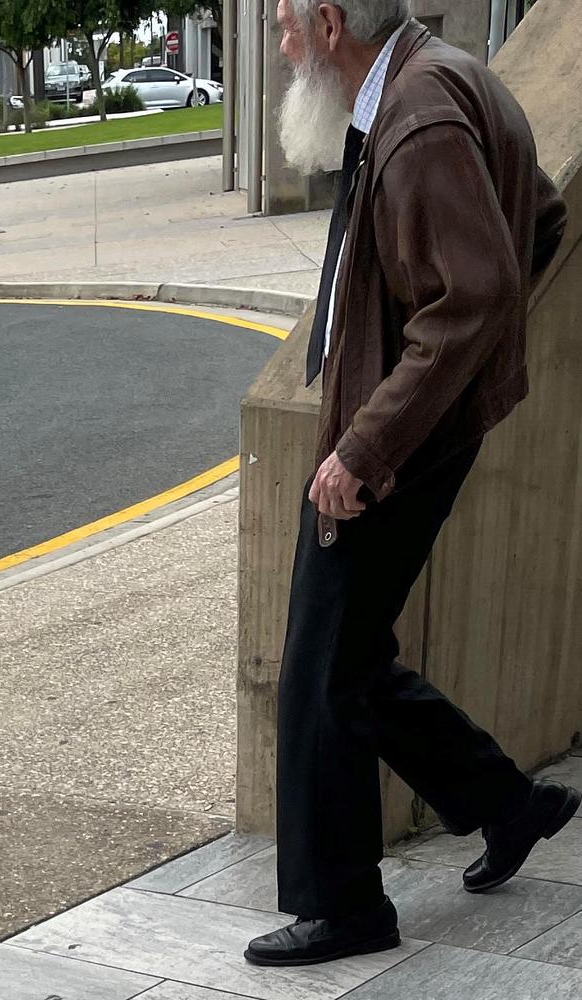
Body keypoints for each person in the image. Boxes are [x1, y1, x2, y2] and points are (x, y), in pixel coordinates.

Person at [244, 0, 579, 969]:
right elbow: (540, 218)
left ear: (330, 20)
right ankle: (508, 804)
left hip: (396, 432)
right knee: (348, 659)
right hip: (408, 415)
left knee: (318, 665)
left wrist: (366, 445)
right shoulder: (421, 81)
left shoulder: (420, 112)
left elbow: (472, 293)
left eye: (283, 27)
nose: (278, 44)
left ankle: (342, 905)